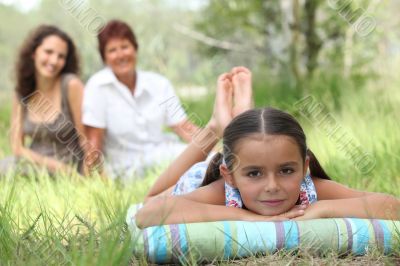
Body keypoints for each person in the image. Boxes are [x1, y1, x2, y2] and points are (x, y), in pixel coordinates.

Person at [134, 66, 400, 228]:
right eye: (254, 174)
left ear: (305, 167)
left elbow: (392, 207)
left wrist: (324, 209)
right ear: (232, 178)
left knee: (251, 148)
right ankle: (217, 126)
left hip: (238, 159)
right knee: (151, 196)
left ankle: (239, 123)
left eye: (286, 170)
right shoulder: (222, 191)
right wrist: (246, 217)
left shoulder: (309, 190)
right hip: (203, 174)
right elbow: (148, 213)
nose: (272, 186)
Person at [83, 19, 199, 180]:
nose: (121, 55)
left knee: (209, 161)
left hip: (164, 153)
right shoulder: (97, 86)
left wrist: (214, 151)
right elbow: (94, 142)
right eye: (112, 50)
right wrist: (93, 183)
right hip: (125, 168)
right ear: (104, 57)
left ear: (135, 49)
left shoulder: (158, 83)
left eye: (125, 47)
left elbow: (184, 126)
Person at [0, 25, 85, 175]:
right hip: (35, 165)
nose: (54, 61)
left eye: (61, 56)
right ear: (33, 53)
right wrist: (54, 166)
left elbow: (86, 140)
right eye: (48, 52)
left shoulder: (71, 85)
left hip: (70, 168)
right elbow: (17, 146)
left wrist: (81, 173)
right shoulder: (22, 92)